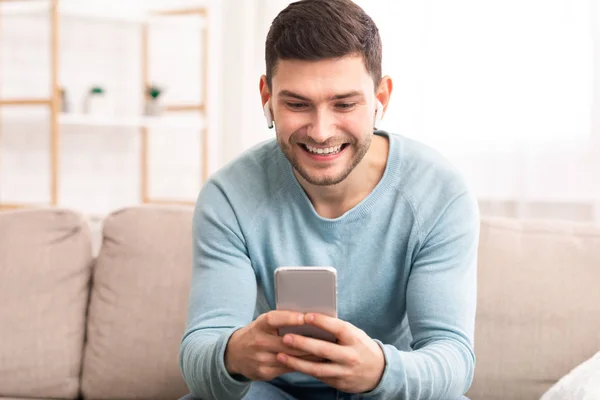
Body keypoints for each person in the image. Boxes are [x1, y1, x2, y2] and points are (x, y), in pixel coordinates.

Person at [179, 0, 479, 399]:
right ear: (266, 96)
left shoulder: (439, 193)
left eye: (344, 104)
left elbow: (454, 359)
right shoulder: (229, 196)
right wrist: (233, 355)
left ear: (381, 98)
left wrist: (380, 371)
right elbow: (201, 357)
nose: (321, 131)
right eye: (297, 104)